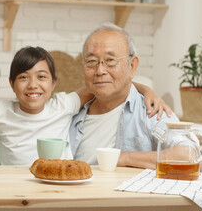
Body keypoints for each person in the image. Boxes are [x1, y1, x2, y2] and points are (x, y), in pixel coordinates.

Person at [0, 46, 171, 166]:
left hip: (59, 184)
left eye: (42, 77)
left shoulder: (63, 104)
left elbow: (106, 83)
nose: (33, 86)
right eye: (23, 78)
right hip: (14, 192)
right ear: (10, 83)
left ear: (54, 83)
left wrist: (145, 88)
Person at [69, 23, 183, 169]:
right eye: (91, 61)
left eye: (110, 60)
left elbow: (189, 156)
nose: (100, 71)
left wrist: (123, 157)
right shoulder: (70, 112)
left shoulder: (151, 112)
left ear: (132, 66)